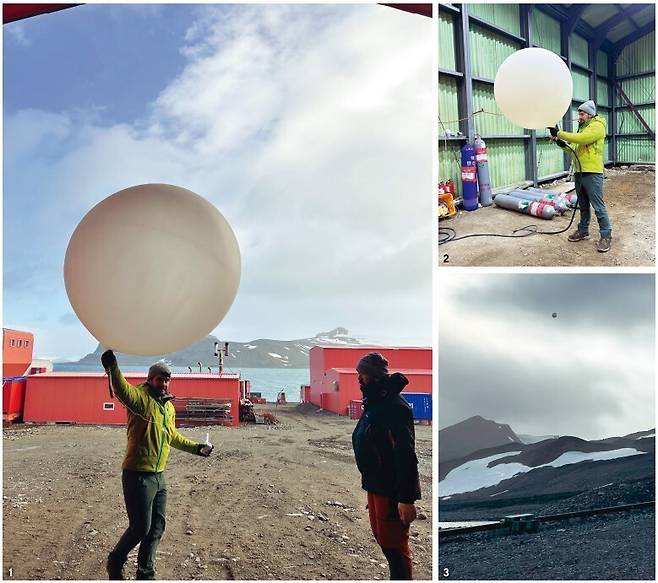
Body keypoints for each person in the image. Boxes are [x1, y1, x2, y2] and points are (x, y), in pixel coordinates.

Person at [101, 350, 213, 580]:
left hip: (159, 477)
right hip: (137, 475)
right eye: (159, 379)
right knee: (140, 527)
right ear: (150, 380)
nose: (164, 383)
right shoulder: (141, 400)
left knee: (156, 528)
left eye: (167, 380)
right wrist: (113, 366)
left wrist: (196, 448)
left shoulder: (168, 407)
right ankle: (115, 560)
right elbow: (122, 389)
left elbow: (171, 436)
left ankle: (146, 573)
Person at [351, 352, 421, 580]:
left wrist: (406, 499)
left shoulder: (394, 407)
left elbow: (405, 454)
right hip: (376, 485)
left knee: (395, 547)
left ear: (375, 376)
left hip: (391, 490)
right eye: (358, 375)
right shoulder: (375, 403)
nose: (359, 380)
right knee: (384, 541)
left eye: (363, 375)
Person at [547, 100, 612, 253]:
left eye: (581, 114)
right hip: (579, 172)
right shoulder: (582, 128)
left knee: (598, 206)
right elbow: (574, 149)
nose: (579, 117)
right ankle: (583, 231)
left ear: (590, 114)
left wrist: (559, 133)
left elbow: (583, 139)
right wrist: (560, 142)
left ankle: (606, 235)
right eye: (579, 114)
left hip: (592, 173)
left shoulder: (597, 126)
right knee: (582, 205)